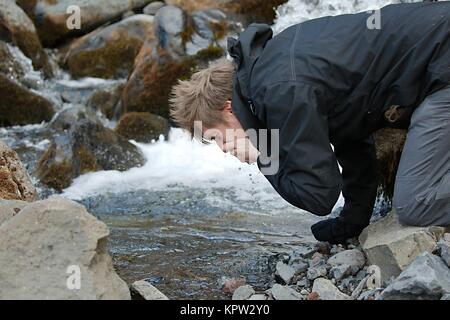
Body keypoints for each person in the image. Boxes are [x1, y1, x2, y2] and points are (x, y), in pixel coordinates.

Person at [170, 2, 450, 244]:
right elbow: (353, 138)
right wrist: (352, 222)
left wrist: (262, 155)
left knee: (416, 204)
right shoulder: (268, 73)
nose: (222, 149)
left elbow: (319, 194)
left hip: (441, 63)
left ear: (228, 109)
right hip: (436, 54)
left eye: (216, 137)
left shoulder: (281, 90)